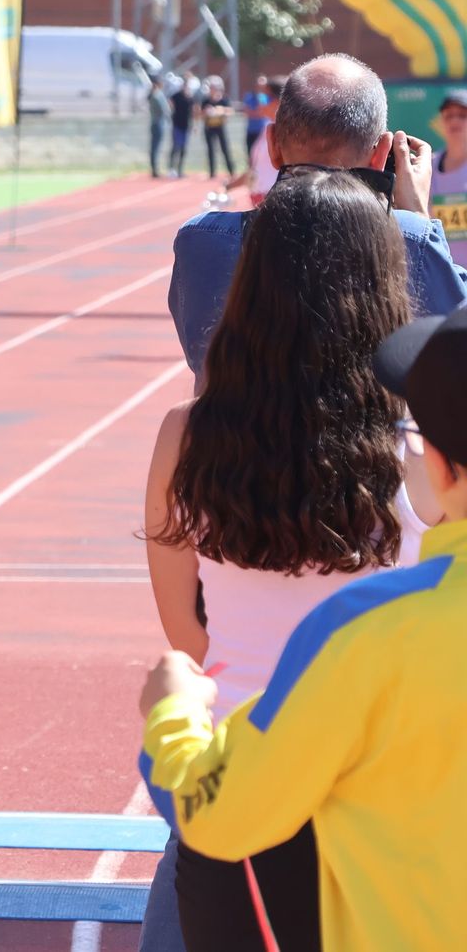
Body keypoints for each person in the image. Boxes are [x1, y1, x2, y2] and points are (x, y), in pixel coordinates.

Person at [139, 169, 431, 952]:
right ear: (382, 285)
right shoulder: (422, 448)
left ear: (251, 286)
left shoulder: (184, 434)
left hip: (235, 782)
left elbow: (184, 631)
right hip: (379, 792)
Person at [168, 53, 467, 378]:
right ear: (381, 154)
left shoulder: (201, 241)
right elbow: (451, 353)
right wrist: (417, 220)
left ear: (273, 146)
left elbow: (204, 360)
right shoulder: (408, 237)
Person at [220, 76, 283, 207]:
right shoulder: (267, 127)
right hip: (259, 199)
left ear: (279, 101)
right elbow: (254, 170)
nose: (260, 102)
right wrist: (227, 187)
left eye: (264, 98)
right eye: (260, 97)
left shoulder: (288, 133)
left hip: (274, 200)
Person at [429, 89, 467, 258]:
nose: (454, 120)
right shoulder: (427, 167)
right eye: (449, 115)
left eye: (462, 115)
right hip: (443, 268)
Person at [200, 76, 236, 179]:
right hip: (209, 127)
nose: (212, 90)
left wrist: (218, 110)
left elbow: (230, 111)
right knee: (210, 150)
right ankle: (212, 172)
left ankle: (231, 171)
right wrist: (206, 112)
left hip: (220, 127)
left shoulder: (224, 100)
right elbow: (199, 115)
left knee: (225, 149)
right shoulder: (206, 101)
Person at [169, 75, 194, 178]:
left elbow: (193, 111)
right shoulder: (176, 96)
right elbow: (170, 104)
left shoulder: (190, 98)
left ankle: (180, 169)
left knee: (183, 148)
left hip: (186, 125)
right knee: (176, 147)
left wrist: (194, 125)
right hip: (177, 125)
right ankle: (171, 168)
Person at [242, 74, 272, 154]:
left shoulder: (268, 97)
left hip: (263, 132)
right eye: (259, 84)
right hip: (251, 131)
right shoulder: (249, 96)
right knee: (251, 154)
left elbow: (264, 112)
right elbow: (247, 112)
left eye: (263, 85)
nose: (261, 87)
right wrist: (258, 113)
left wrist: (257, 113)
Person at [148, 78, 170, 179]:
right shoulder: (157, 95)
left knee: (155, 147)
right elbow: (165, 110)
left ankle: (155, 168)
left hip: (156, 123)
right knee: (155, 147)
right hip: (158, 123)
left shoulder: (153, 95)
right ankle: (155, 169)